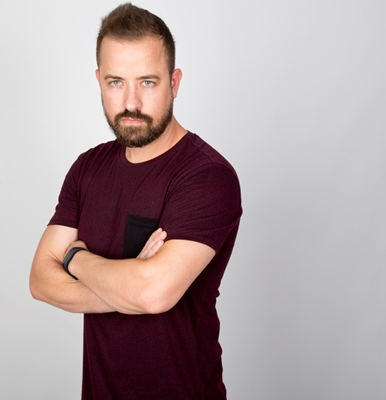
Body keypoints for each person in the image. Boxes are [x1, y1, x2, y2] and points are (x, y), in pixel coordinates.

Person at [29, 3, 242, 399]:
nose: (131, 102)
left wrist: (75, 258)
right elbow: (41, 281)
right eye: (116, 82)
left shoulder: (207, 176)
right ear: (99, 81)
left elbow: (153, 294)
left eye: (147, 82)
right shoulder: (87, 168)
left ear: (174, 82)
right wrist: (128, 287)